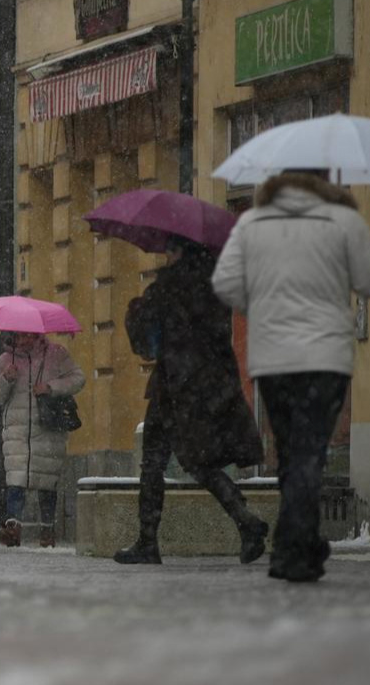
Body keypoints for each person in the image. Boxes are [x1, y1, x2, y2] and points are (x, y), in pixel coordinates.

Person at [213, 170, 370, 582]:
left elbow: (225, 283)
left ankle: (300, 543)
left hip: (273, 358)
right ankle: (294, 546)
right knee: (310, 449)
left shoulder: (254, 223)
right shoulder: (342, 220)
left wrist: (258, 305)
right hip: (325, 356)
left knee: (291, 450)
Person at [117, 237, 268, 565]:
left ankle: (150, 541)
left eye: (169, 250)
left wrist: (137, 306)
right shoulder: (217, 282)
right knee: (198, 461)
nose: (165, 255)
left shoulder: (171, 284)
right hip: (207, 383)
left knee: (159, 462)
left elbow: (143, 335)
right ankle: (245, 521)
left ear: (179, 252)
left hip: (175, 385)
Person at [0, 331, 85, 548]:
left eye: (28, 336)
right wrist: (6, 379)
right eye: (19, 337)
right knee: (16, 481)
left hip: (48, 428)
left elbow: (78, 378)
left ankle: (47, 530)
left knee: (47, 482)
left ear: (38, 334)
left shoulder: (56, 354)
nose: (23, 341)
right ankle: (13, 529)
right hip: (17, 430)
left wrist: (51, 387)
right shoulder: (5, 359)